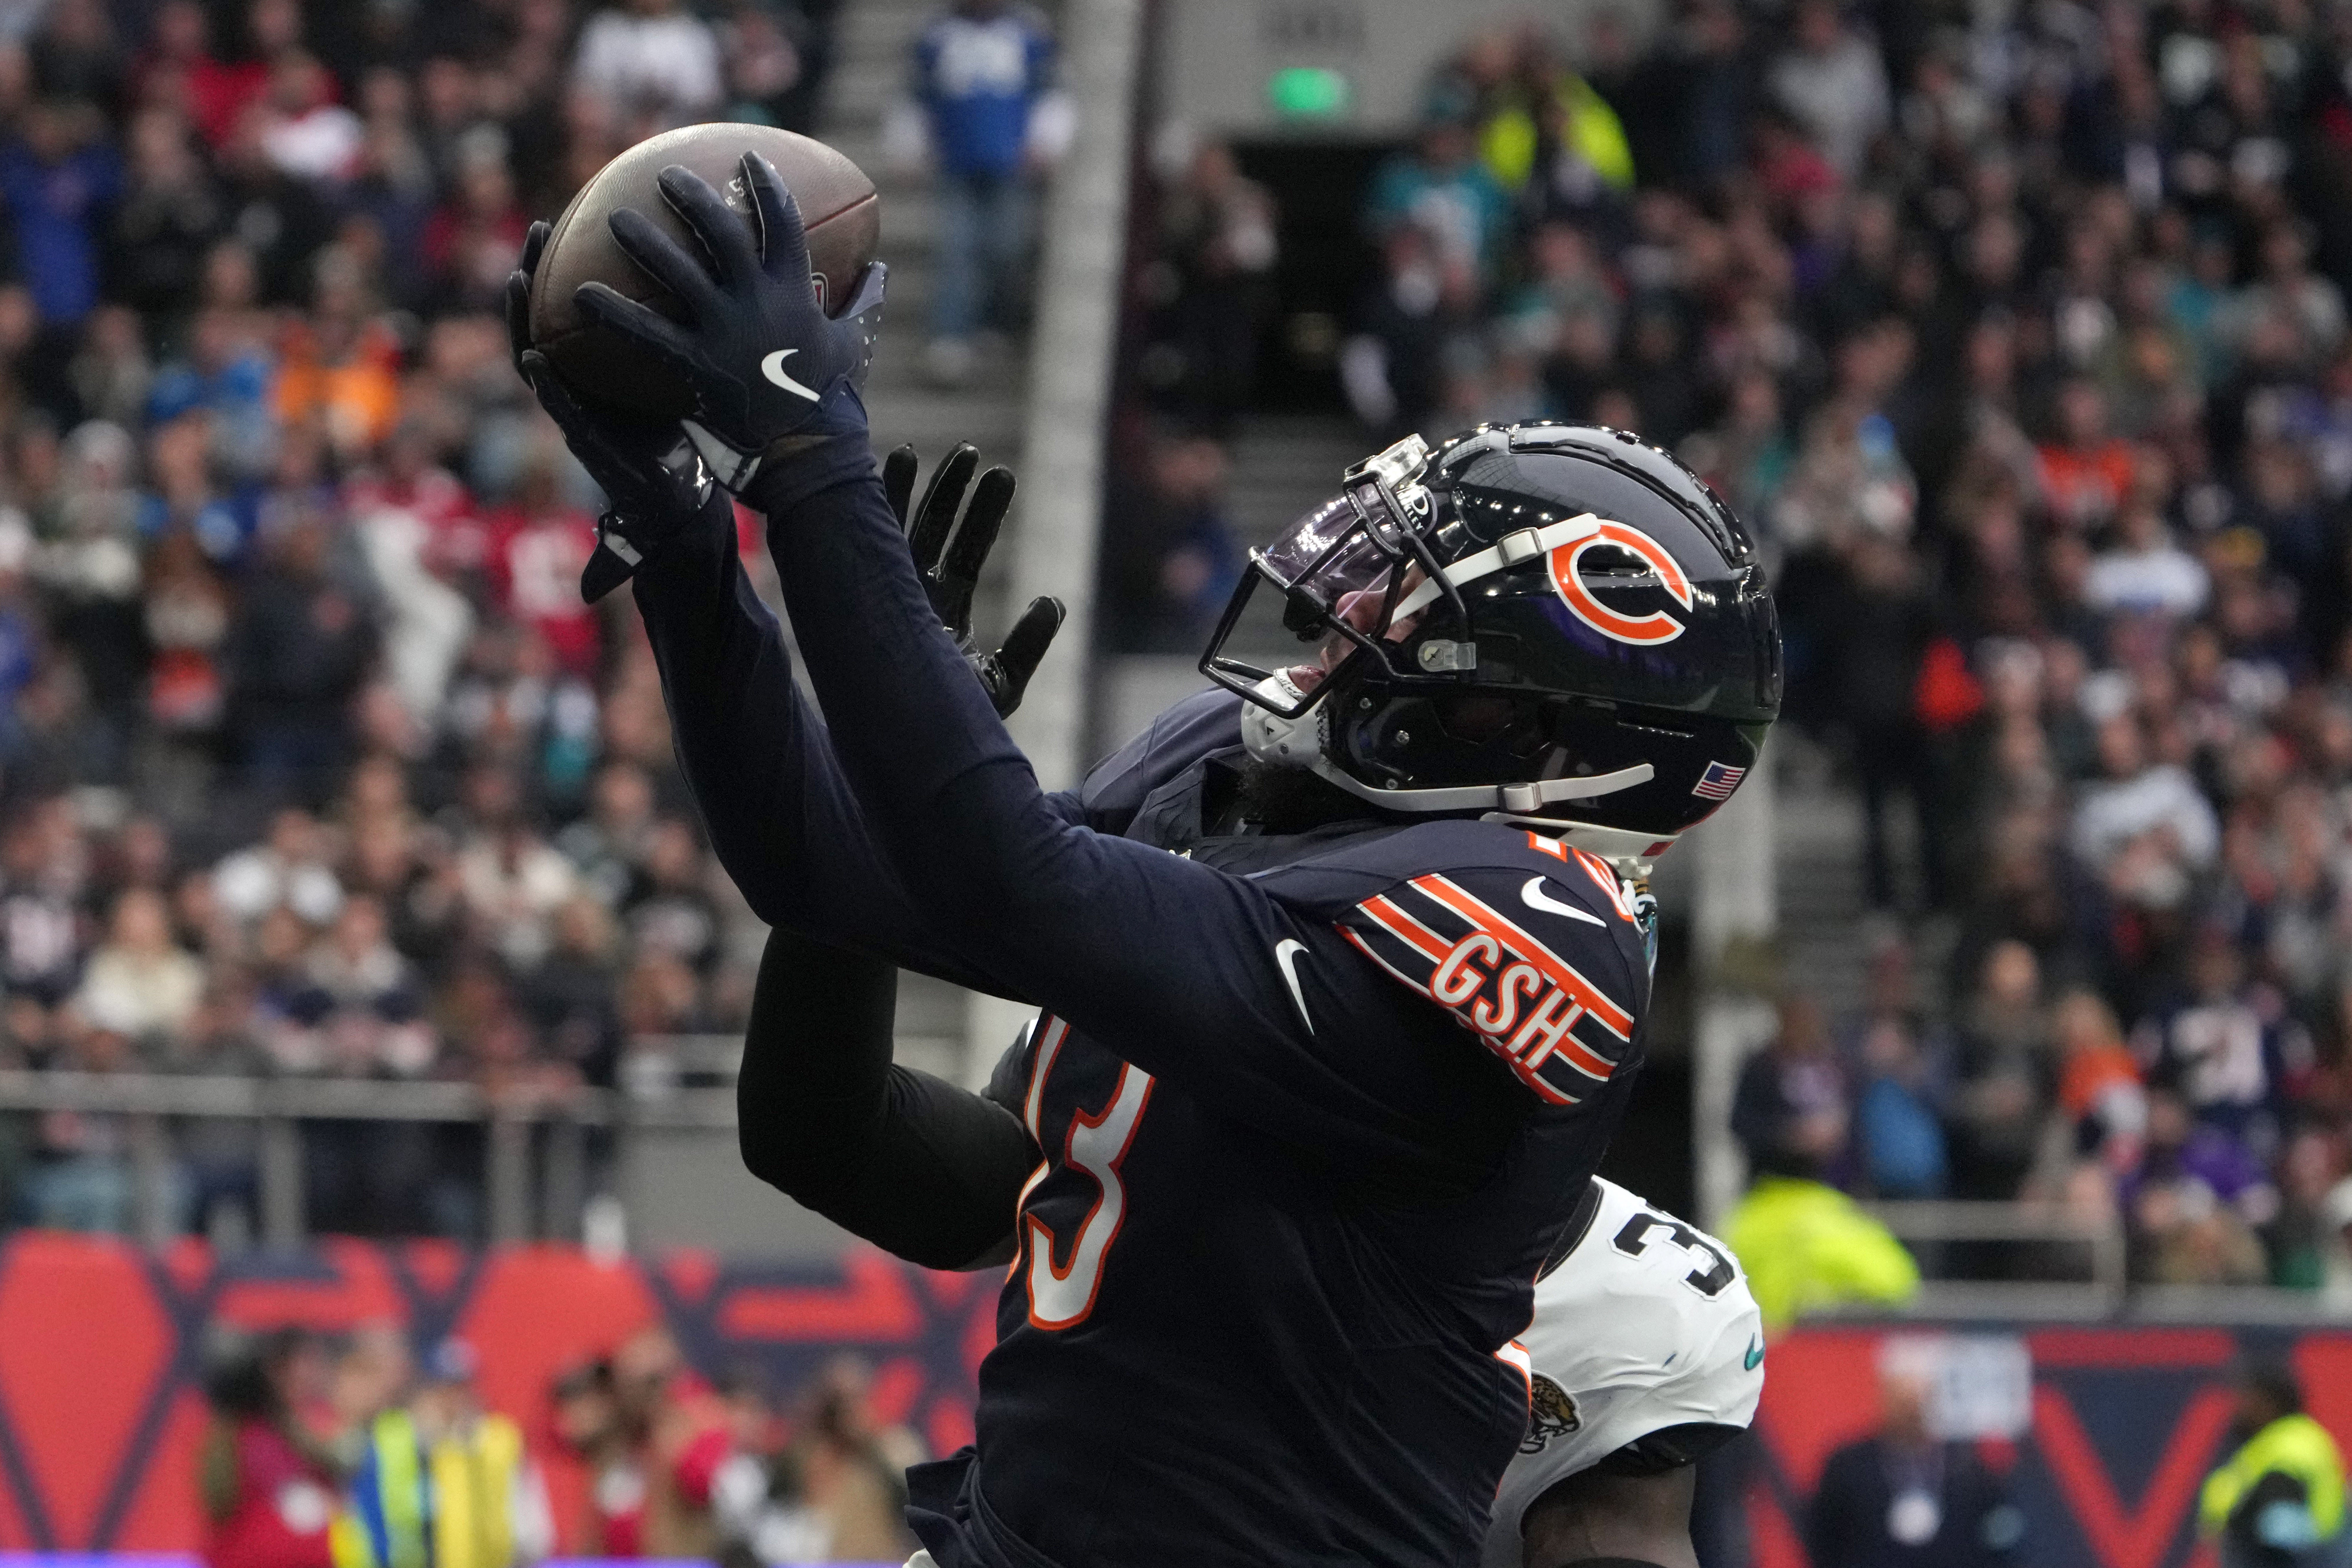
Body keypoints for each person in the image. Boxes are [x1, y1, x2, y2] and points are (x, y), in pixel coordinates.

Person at [506, 146, 1778, 1568]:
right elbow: (827, 879)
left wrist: (813, 453)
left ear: (1545, 726)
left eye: (1409, 614)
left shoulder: (1543, 929)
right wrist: (687, 538)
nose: (1350, 622)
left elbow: (1005, 879)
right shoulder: (1240, 776)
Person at [908, 0, 1056, 385]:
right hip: (956, 161)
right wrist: (911, 144)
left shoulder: (1028, 32)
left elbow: (1050, 89)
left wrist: (1046, 140)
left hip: (1010, 160)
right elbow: (917, 95)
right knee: (957, 248)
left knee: (1006, 245)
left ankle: (994, 320)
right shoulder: (937, 35)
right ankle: (949, 336)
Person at [331, 1338, 550, 1568]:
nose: (452, 1399)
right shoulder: (400, 1438)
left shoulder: (500, 1439)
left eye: (460, 1387)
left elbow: (529, 1522)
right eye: (443, 1388)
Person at [1805, 1348, 2024, 1566]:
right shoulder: (1849, 1465)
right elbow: (1822, 1536)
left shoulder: (1966, 1465)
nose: (1912, 1411)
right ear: (1886, 1398)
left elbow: (1995, 1536)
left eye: (1919, 1399)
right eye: (1903, 1399)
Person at [199, 1328, 340, 1568]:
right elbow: (303, 1518)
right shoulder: (258, 1443)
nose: (316, 1377)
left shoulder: (266, 1438)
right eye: (305, 1366)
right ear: (275, 1375)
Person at [2199, 1365, 2348, 1567]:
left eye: (2246, 1399)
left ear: (2267, 1402)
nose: (2237, 1407)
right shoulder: (2275, 1443)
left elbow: (2281, 1528)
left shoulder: (2290, 1446)